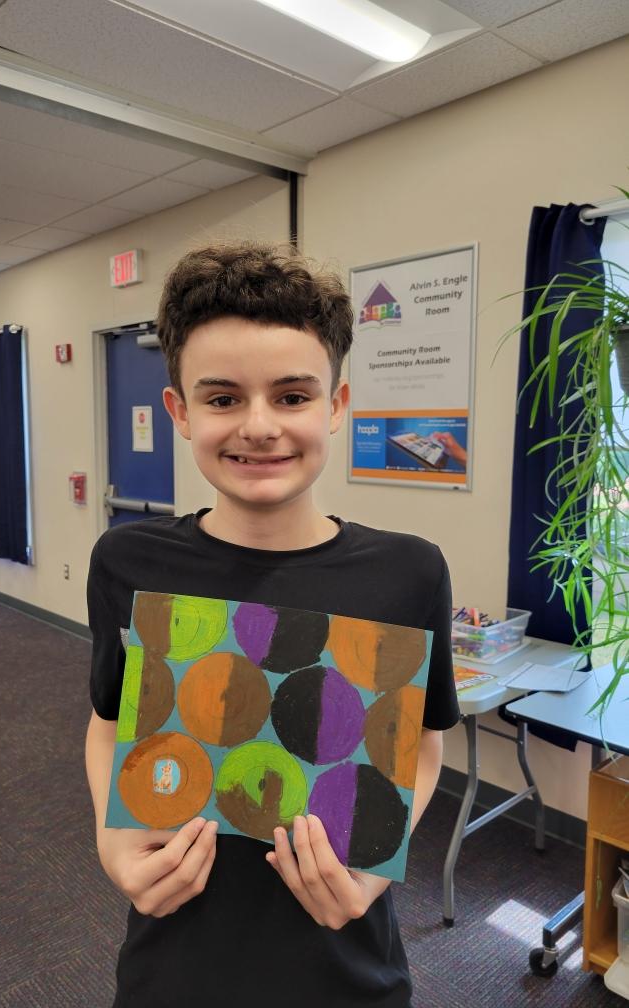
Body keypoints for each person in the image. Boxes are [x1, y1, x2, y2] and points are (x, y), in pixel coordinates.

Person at [85, 240, 459, 1008]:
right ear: (181, 413)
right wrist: (113, 840)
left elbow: (422, 743)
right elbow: (106, 722)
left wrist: (373, 869)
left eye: (292, 396)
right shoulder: (128, 560)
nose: (259, 426)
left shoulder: (409, 572)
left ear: (337, 404)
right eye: (223, 399)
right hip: (175, 960)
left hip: (344, 960)